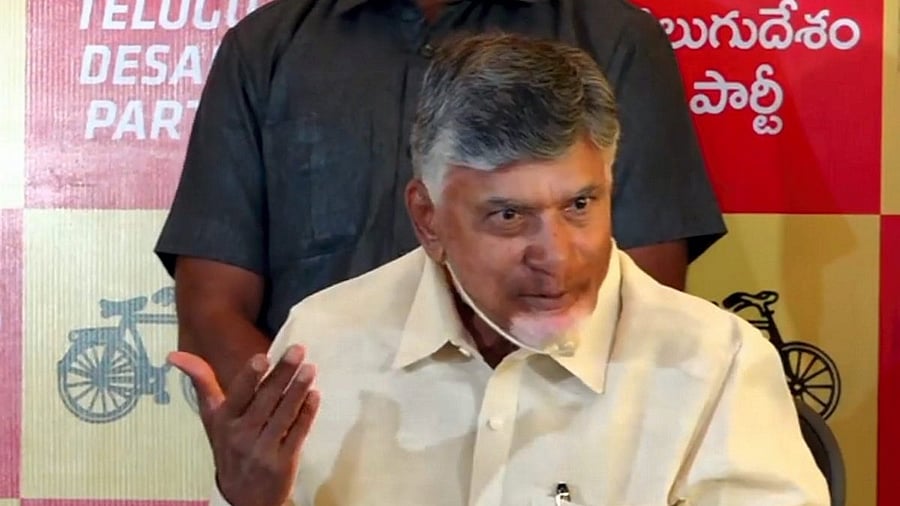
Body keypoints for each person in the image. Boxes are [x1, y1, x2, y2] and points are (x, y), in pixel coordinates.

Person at [170, 33, 827, 506]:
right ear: (428, 218)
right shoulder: (326, 342)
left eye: (580, 204)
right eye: (509, 217)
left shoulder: (718, 363)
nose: (558, 256)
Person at [155, 0, 727, 392]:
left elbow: (646, 302)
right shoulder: (265, 49)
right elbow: (211, 313)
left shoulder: (616, 40)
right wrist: (319, 437)